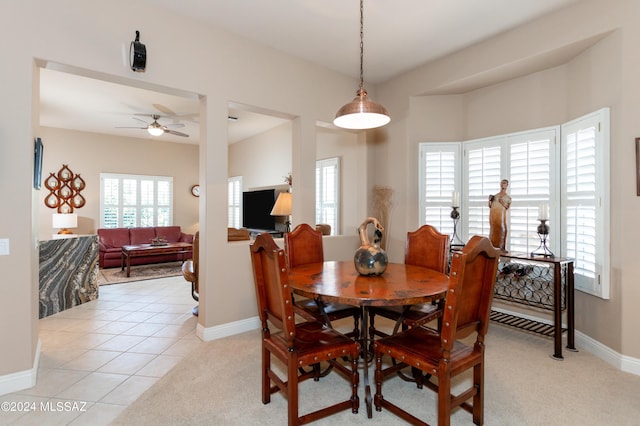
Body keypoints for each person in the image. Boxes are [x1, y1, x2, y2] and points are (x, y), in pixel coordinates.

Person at [488, 179, 511, 252]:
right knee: (493, 232)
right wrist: (489, 200)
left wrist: (502, 202)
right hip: (494, 219)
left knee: (503, 231)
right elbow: (490, 205)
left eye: (504, 183)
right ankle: (492, 247)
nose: (502, 185)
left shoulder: (508, 197)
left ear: (507, 185)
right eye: (501, 183)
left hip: (501, 219)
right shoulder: (495, 196)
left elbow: (507, 206)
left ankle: (502, 248)